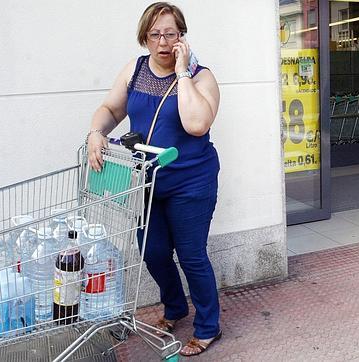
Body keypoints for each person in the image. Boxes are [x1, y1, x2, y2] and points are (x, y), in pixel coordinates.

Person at [86, 2, 222, 357]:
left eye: (171, 34)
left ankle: (208, 327)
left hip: (191, 180)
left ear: (182, 37)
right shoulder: (134, 70)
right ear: (144, 37)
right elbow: (112, 109)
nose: (162, 41)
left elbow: (196, 124)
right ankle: (175, 308)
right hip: (146, 179)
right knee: (154, 251)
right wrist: (95, 132)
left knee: (192, 255)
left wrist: (182, 73)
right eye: (155, 34)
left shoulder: (201, 77)